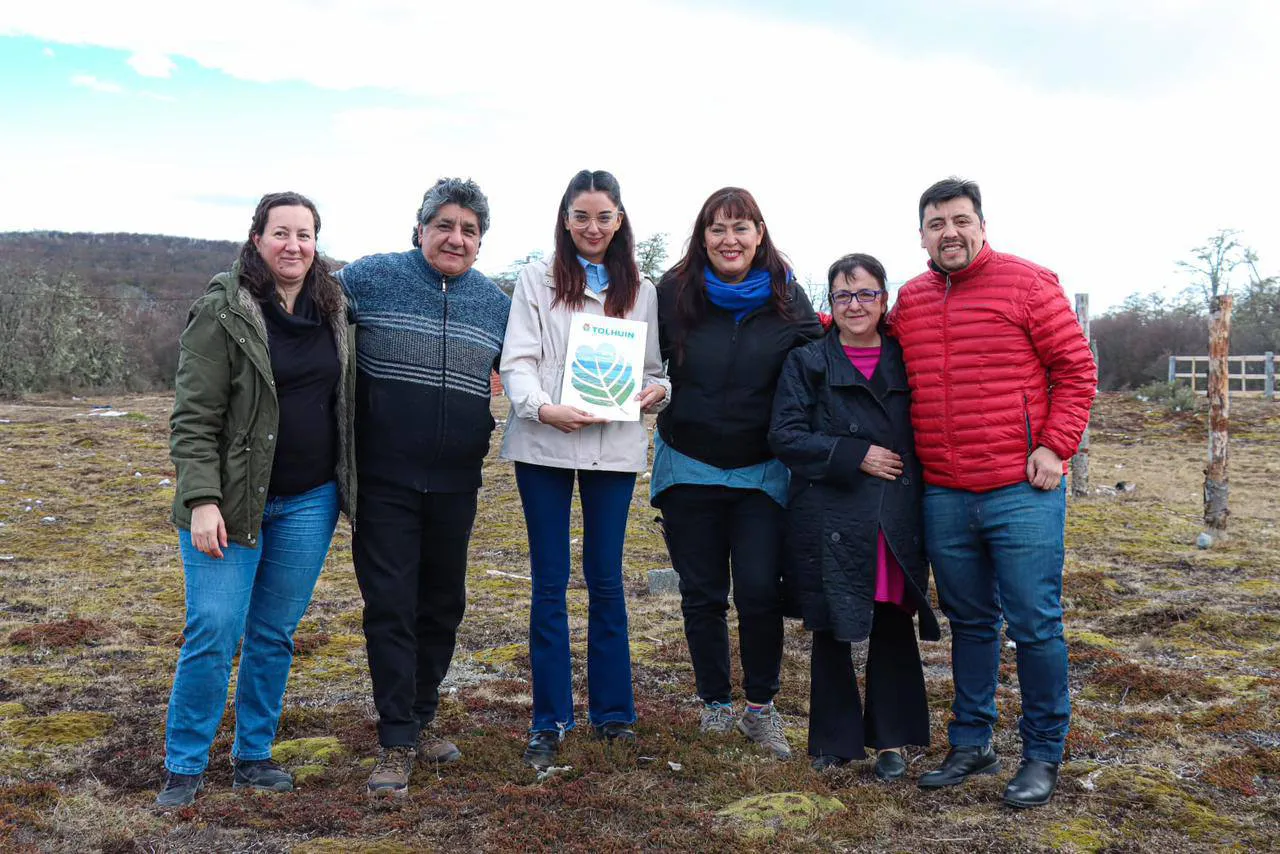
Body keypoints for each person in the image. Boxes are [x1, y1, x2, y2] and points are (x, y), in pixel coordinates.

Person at [890, 178, 1096, 807]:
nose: (948, 232)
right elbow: (863, 334)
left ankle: (1042, 753)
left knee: (1035, 623)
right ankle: (972, 741)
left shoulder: (1029, 284)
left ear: (981, 224)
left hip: (1021, 489)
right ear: (921, 233)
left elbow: (1077, 368)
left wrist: (1056, 446)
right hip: (945, 492)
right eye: (935, 223)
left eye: (959, 220)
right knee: (971, 622)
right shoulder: (911, 298)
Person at [161, 191, 355, 807]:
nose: (292, 245)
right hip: (231, 504)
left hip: (310, 500)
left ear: (316, 243)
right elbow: (192, 418)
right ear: (257, 240)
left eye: (304, 234)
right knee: (214, 630)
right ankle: (185, 765)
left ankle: (253, 756)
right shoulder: (223, 312)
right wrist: (201, 500)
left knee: (273, 634)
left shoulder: (337, 308)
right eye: (280, 233)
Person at [336, 178, 511, 799]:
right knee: (390, 605)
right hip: (384, 480)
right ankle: (396, 741)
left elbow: (543, 363)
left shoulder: (496, 304)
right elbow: (302, 310)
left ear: (480, 242)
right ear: (420, 229)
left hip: (458, 482)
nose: (455, 238)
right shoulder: (369, 278)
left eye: (468, 230)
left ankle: (421, 713)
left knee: (443, 604)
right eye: (445, 225)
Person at [499, 169, 669, 768]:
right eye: (580, 216)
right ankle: (549, 718)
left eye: (603, 216)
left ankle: (615, 715)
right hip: (543, 444)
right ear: (564, 219)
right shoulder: (534, 281)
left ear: (619, 219)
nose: (592, 227)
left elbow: (653, 369)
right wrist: (541, 407)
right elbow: (517, 359)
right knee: (549, 582)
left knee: (605, 579)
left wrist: (656, 392)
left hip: (613, 449)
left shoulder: (640, 289)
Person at [653, 187, 822, 760]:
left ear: (759, 234)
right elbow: (632, 353)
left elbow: (824, 364)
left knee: (757, 591)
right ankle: (715, 706)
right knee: (701, 595)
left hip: (762, 472)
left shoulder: (787, 298)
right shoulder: (671, 294)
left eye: (741, 228)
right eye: (718, 229)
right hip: (688, 465)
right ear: (702, 237)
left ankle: (760, 709)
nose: (730, 240)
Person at [768, 253, 941, 778]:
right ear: (831, 304)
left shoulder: (908, 358)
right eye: (843, 296)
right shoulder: (808, 362)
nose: (855, 305)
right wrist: (855, 454)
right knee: (833, 623)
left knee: (892, 618)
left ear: (884, 299)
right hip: (829, 511)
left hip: (894, 511)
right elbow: (785, 435)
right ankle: (833, 741)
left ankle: (892, 739)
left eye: (866, 293)